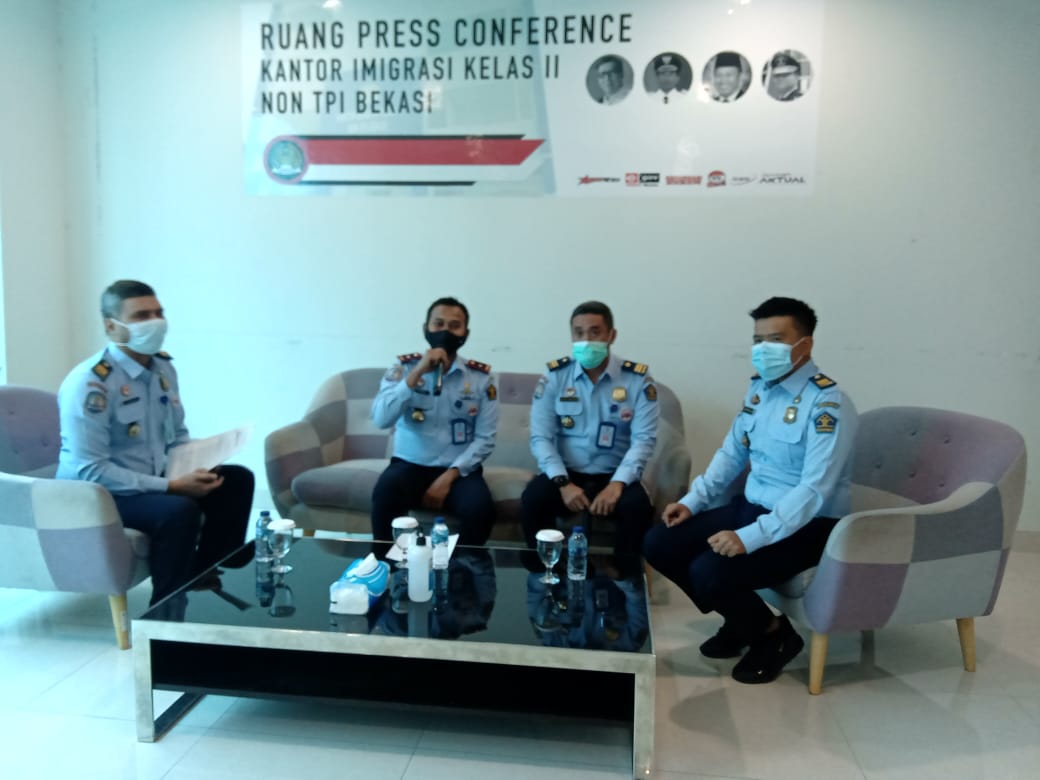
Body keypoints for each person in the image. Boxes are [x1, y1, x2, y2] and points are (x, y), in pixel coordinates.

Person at [643, 297, 857, 684]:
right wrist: (692, 502)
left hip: (808, 525)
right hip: (752, 507)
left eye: (775, 340)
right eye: (758, 340)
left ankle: (773, 637)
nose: (763, 350)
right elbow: (731, 454)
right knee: (660, 542)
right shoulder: (760, 391)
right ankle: (747, 621)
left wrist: (750, 537)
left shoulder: (828, 404)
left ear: (804, 345)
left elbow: (815, 489)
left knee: (708, 570)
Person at [57, 280, 254, 606]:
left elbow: (176, 435)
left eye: (158, 313)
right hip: (97, 494)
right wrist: (171, 487)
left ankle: (199, 571)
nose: (155, 322)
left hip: (147, 480)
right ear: (111, 326)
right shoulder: (91, 384)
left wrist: (201, 462)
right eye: (141, 316)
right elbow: (91, 469)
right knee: (177, 511)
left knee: (236, 480)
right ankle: (165, 611)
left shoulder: (162, 368)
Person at [522, 301, 658, 559]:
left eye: (595, 332)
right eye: (579, 333)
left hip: (615, 473)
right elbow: (541, 437)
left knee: (637, 507)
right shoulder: (555, 376)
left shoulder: (637, 379)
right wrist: (563, 483)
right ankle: (544, 570)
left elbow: (644, 440)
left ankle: (624, 575)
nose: (586, 340)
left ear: (611, 335)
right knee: (533, 499)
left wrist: (617, 485)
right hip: (566, 473)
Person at [370, 297, 498, 545]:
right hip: (408, 466)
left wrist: (449, 477)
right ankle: (389, 563)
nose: (445, 332)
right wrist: (417, 373)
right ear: (425, 329)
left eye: (454, 326)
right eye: (438, 324)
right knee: (385, 495)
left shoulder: (481, 378)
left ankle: (459, 566)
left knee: (480, 509)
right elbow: (381, 419)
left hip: (458, 471)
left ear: (465, 334)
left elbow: (485, 438)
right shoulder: (404, 369)